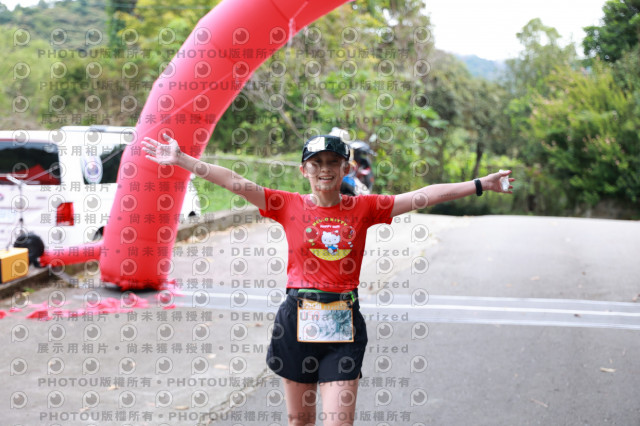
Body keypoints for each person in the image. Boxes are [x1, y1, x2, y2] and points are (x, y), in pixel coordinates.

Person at [142, 133, 514, 426]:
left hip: (343, 325)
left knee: (339, 421)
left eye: (333, 162)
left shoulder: (365, 207)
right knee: (299, 420)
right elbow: (236, 181)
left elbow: (421, 197)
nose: (325, 169)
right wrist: (182, 160)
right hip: (296, 320)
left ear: (346, 168)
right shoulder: (287, 205)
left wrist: (480, 183)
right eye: (316, 162)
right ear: (303, 169)